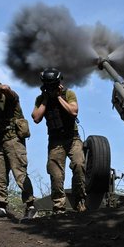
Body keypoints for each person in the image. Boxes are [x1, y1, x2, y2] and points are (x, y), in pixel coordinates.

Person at [31, 68, 86, 213]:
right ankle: (59, 207)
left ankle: (79, 199)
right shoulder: (41, 99)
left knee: (79, 165)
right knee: (56, 174)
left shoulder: (68, 94)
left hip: (72, 138)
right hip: (55, 141)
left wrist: (58, 97)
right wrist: (47, 99)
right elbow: (36, 118)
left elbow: (73, 111)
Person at [0, 79, 36, 218]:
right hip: (0, 141)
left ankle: (31, 207)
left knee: (20, 174)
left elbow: (13, 95)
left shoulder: (10, 99)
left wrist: (1, 88)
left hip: (14, 141)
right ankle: (1, 207)